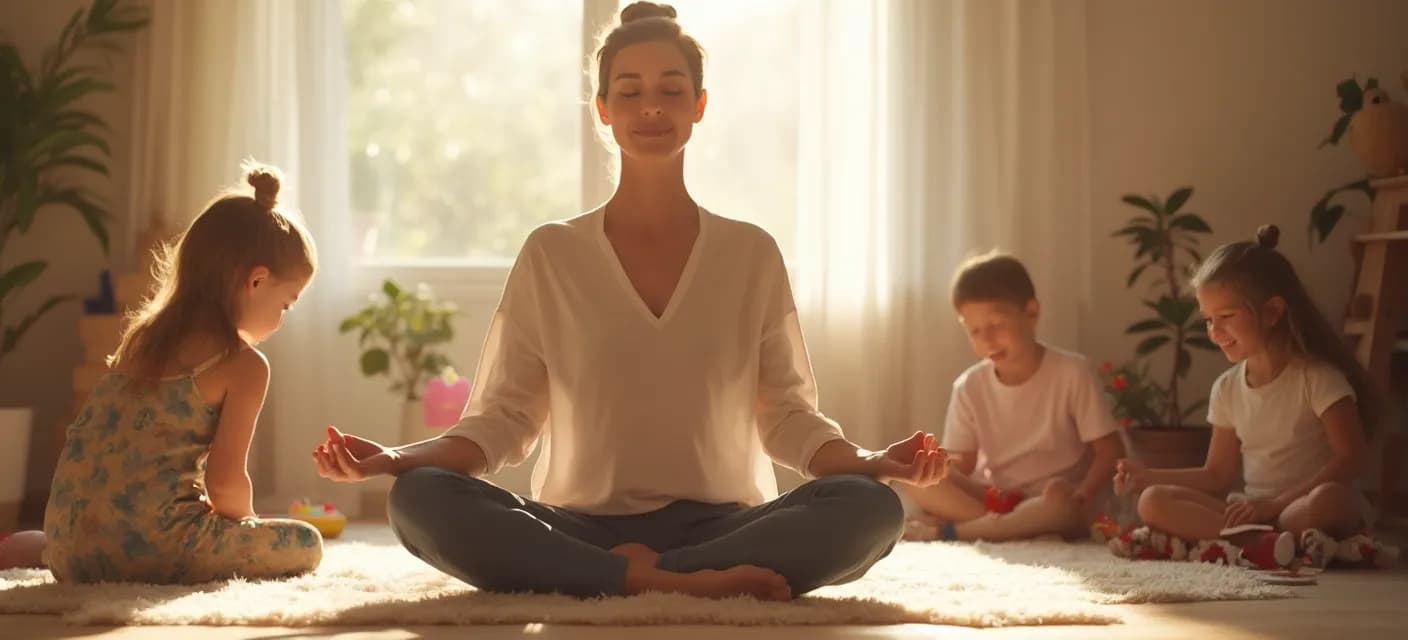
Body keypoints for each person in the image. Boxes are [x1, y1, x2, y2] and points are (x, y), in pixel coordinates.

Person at [312, 1, 945, 600]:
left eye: (671, 90)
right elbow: (503, 420)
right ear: (603, 110)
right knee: (419, 499)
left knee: (871, 507)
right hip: (576, 523)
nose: (651, 108)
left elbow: (788, 419)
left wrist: (872, 460)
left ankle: (622, 578)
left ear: (699, 106)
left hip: (725, 525)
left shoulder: (750, 253)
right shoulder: (551, 253)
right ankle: (666, 580)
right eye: (631, 91)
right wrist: (396, 459)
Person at [0, 164, 325, 583]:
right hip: (158, 549)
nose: (282, 318)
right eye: (287, 304)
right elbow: (224, 485)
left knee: (104, 527)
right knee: (307, 543)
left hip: (70, 547)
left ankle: (45, 546)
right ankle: (92, 549)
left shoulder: (142, 339)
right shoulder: (244, 365)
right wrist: (245, 528)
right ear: (256, 281)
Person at [1111, 225, 1397, 569]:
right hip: (1253, 512)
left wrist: (1275, 504)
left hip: (1302, 508)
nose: (1215, 332)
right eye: (1207, 320)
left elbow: (1351, 458)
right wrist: (1149, 476)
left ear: (1273, 312)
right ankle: (1258, 541)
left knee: (1329, 500)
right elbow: (1217, 474)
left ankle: (1264, 539)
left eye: (1226, 317)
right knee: (1153, 501)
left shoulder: (1318, 378)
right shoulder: (1227, 388)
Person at [901, 252, 1125, 542]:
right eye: (975, 331)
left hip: (1053, 497)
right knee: (910, 477)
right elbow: (963, 462)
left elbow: (1110, 451)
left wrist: (1084, 493)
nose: (987, 339)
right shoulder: (969, 386)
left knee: (1059, 504)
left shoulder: (1073, 372)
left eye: (996, 325)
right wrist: (931, 464)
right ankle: (1015, 528)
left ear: (1031, 313)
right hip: (994, 497)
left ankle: (952, 531)